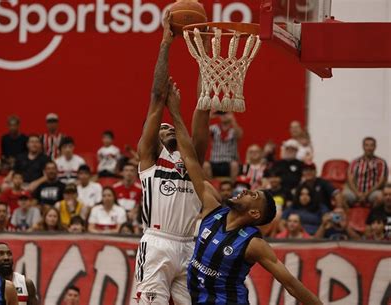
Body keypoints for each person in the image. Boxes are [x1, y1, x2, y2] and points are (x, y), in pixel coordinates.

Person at [166, 80, 322, 305]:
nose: (247, 191)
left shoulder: (253, 244)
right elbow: (190, 158)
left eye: (254, 196)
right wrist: (175, 113)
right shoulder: (212, 207)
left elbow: (291, 284)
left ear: (255, 214)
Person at [134, 12, 208, 305]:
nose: (165, 130)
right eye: (160, 128)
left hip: (189, 246)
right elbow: (156, 96)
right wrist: (166, 41)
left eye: (169, 127)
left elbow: (203, 107)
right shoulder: (151, 158)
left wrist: (204, 55)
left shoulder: (194, 158)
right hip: (157, 244)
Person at [343, 137, 388, 206]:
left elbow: (381, 181)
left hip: (372, 192)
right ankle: (347, 216)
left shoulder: (381, 162)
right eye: (366, 145)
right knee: (342, 196)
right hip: (356, 192)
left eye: (371, 145)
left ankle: (374, 215)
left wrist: (367, 194)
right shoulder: (355, 162)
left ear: (375, 147)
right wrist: (357, 193)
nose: (369, 148)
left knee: (380, 196)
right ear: (363, 146)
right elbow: (350, 179)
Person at [203, 112, 243, 182]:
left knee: (235, 165)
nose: (224, 116)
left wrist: (233, 120)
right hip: (214, 161)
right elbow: (203, 132)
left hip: (229, 162)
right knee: (205, 165)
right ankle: (210, 187)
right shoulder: (214, 128)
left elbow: (239, 135)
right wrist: (208, 117)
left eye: (226, 113)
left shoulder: (233, 130)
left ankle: (231, 187)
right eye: (222, 114)